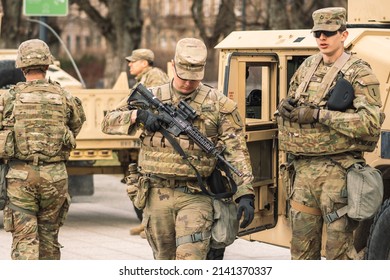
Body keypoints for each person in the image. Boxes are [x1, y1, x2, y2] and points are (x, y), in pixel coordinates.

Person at [102, 37, 255, 260]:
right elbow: (107, 122)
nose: (186, 84)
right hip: (156, 194)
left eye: (193, 80)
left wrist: (245, 193)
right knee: (164, 260)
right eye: (183, 77)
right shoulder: (153, 94)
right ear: (173, 66)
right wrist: (139, 115)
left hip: (196, 195)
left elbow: (236, 149)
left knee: (190, 260)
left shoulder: (219, 105)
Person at [275, 7, 384, 260]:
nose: (322, 38)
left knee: (338, 254)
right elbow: (294, 103)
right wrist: (285, 107)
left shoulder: (359, 72)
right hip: (303, 173)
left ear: (343, 35)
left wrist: (319, 115)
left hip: (338, 174)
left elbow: (370, 122)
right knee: (301, 253)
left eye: (329, 33)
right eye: (318, 33)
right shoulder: (306, 67)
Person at [1, 39, 86, 260]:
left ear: (21, 67)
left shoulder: (8, 97)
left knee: (24, 240)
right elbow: (76, 124)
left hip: (20, 177)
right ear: (47, 66)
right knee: (49, 238)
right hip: (55, 176)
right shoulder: (65, 96)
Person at [125, 48, 170, 238]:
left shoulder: (155, 76)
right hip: (150, 136)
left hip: (159, 137)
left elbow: (159, 105)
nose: (129, 64)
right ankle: (146, 223)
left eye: (133, 61)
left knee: (151, 182)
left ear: (145, 63)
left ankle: (151, 225)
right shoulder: (146, 77)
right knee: (144, 180)